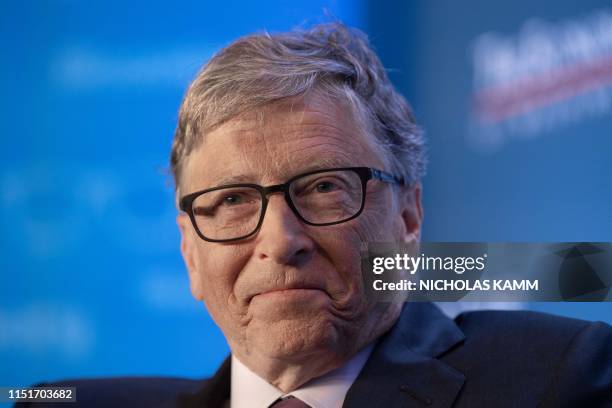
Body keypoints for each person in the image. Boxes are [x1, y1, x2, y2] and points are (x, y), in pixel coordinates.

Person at [18, 23, 611, 408]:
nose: (280, 240)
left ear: (408, 216)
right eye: (231, 201)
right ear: (189, 253)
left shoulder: (558, 379)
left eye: (324, 187)